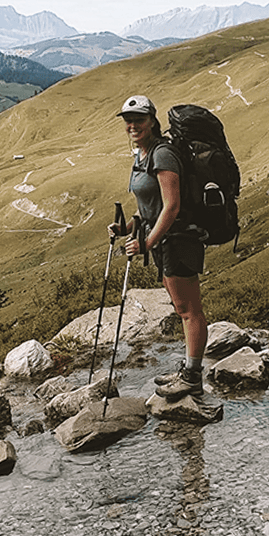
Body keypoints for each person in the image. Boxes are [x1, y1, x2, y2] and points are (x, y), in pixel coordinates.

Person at [109, 94, 208, 399]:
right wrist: (126, 228)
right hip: (166, 241)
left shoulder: (162, 154)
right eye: (128, 120)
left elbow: (172, 206)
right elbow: (149, 207)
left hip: (179, 239)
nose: (133, 125)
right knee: (182, 309)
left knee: (189, 310)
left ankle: (192, 377)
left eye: (139, 119)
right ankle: (188, 369)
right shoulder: (142, 154)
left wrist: (146, 243)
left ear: (152, 121)